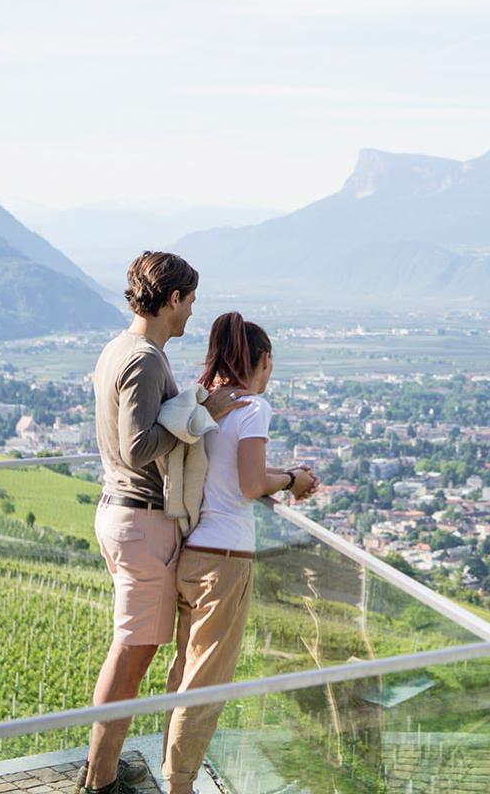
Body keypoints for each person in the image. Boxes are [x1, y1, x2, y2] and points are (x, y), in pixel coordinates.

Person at [80, 252, 246, 794]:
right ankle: (100, 780)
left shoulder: (117, 349)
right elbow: (136, 448)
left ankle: (101, 768)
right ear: (172, 298)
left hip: (120, 515)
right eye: (191, 300)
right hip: (142, 522)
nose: (193, 312)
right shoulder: (146, 358)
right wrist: (205, 416)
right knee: (131, 656)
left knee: (131, 648)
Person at [161, 311, 319, 793]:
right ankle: (180, 782)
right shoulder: (252, 408)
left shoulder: (209, 405)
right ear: (264, 361)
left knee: (185, 669)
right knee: (206, 682)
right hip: (226, 562)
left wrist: (279, 477)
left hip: (191, 554)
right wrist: (292, 481)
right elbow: (250, 483)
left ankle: (170, 765)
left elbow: (231, 473)